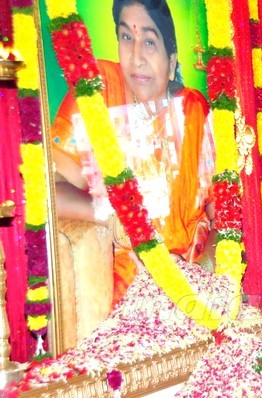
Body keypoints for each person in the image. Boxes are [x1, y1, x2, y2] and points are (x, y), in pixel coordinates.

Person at [52, 0, 215, 306]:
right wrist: (118, 218)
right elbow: (52, 189)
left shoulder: (193, 109)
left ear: (172, 59)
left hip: (194, 274)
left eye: (150, 42)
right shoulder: (98, 90)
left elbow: (220, 210)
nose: (136, 57)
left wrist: (212, 272)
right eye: (127, 37)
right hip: (127, 281)